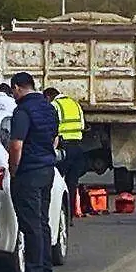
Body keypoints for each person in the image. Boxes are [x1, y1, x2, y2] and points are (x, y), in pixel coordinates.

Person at [7, 72, 59, 272]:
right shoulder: (49, 108)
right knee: (43, 222)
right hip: (47, 169)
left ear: (18, 88)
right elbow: (55, 138)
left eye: (13, 91)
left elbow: (16, 144)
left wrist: (13, 169)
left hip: (29, 171)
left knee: (30, 224)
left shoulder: (22, 111)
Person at [43, 87, 86, 221]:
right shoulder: (75, 104)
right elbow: (82, 125)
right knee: (72, 183)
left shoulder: (54, 105)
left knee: (57, 181)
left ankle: (56, 215)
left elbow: (52, 129)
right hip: (78, 147)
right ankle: (70, 216)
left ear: (48, 97)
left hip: (63, 147)